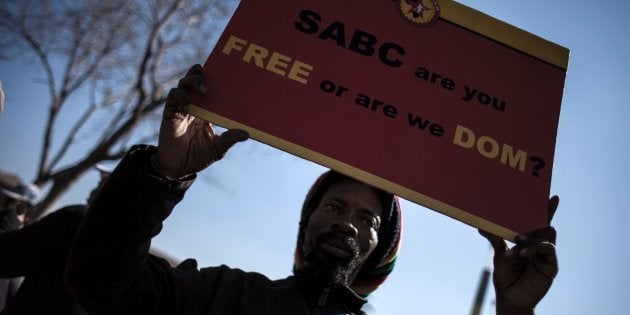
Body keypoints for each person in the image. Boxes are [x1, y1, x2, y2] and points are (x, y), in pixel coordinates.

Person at [65, 65, 559, 314]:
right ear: (307, 221)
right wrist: (161, 174)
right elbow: (101, 281)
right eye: (337, 205)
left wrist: (515, 313)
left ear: (380, 251)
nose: (347, 221)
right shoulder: (226, 297)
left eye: (368, 220)